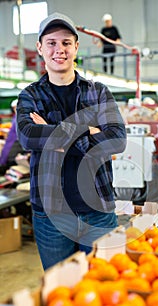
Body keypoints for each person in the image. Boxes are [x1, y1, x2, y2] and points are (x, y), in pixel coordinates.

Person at [16, 12, 127, 270]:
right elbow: (28, 136)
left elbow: (117, 141)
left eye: (66, 42)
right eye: (52, 43)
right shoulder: (30, 96)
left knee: (104, 288)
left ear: (76, 47)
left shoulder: (99, 92)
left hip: (97, 209)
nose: (59, 50)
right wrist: (87, 131)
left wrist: (54, 135)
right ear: (40, 48)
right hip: (51, 214)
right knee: (60, 294)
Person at [0, 99, 24, 174]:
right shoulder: (16, 117)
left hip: (17, 143)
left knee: (9, 157)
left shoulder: (21, 117)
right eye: (14, 108)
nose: (16, 109)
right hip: (12, 142)